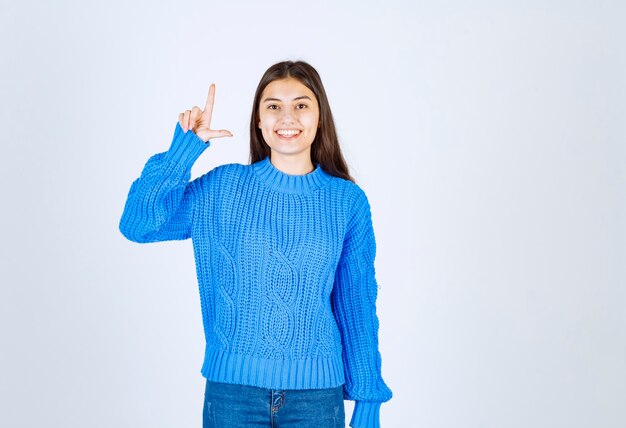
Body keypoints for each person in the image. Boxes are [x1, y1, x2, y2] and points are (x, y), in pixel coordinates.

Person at [119, 60, 393, 428]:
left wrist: (368, 398)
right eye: (273, 106)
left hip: (316, 398)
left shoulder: (347, 202)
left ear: (319, 117)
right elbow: (137, 225)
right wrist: (180, 153)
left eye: (301, 105)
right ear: (259, 121)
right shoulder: (223, 188)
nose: (287, 117)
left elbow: (356, 303)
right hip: (233, 394)